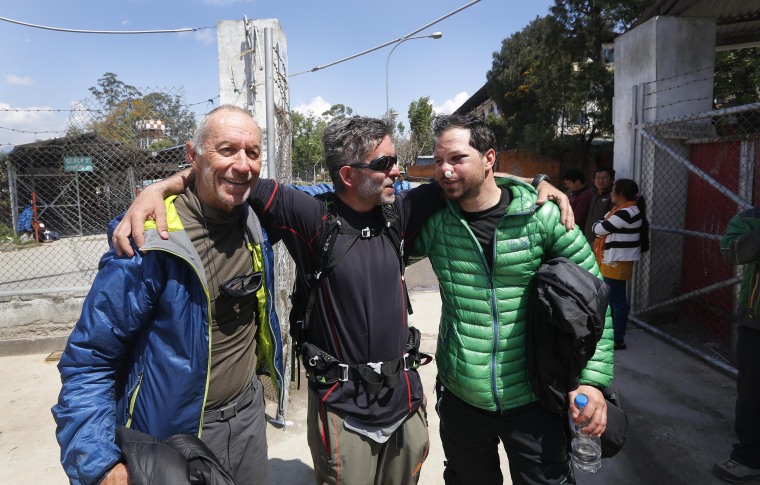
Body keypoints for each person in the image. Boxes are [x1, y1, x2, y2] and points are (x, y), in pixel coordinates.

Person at [111, 115, 574, 485]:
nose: (399, 170)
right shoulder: (311, 218)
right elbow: (233, 172)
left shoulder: (403, 211)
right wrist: (162, 186)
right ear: (349, 175)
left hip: (405, 407)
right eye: (387, 162)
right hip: (342, 409)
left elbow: (471, 175)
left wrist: (533, 184)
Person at [52, 105, 285, 485]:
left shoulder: (254, 218)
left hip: (247, 418)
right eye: (226, 150)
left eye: (253, 153)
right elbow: (89, 360)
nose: (243, 165)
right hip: (175, 436)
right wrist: (100, 464)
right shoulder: (150, 241)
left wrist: (163, 183)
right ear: (193, 156)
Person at [411, 114, 613, 485]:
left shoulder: (543, 217)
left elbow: (595, 304)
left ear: (489, 158)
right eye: (439, 161)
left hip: (534, 395)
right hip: (461, 397)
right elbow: (380, 247)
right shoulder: (437, 224)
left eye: (456, 159)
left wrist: (591, 381)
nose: (444, 170)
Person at [714, 207, 760, 483]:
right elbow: (731, 251)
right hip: (757, 322)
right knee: (753, 392)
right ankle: (750, 456)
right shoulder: (749, 218)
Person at [591, 179, 645, 350]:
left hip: (617, 260)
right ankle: (613, 335)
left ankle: (618, 338)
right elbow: (603, 224)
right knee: (614, 299)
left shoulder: (626, 212)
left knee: (616, 299)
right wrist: (600, 225)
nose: (611, 193)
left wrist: (598, 226)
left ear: (620, 195)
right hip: (614, 259)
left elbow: (599, 228)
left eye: (613, 191)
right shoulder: (622, 209)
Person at [583, 167, 615, 244]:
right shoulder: (593, 194)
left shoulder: (614, 196)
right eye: (598, 178)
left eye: (604, 178)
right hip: (588, 238)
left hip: (602, 241)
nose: (601, 181)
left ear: (612, 180)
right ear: (593, 180)